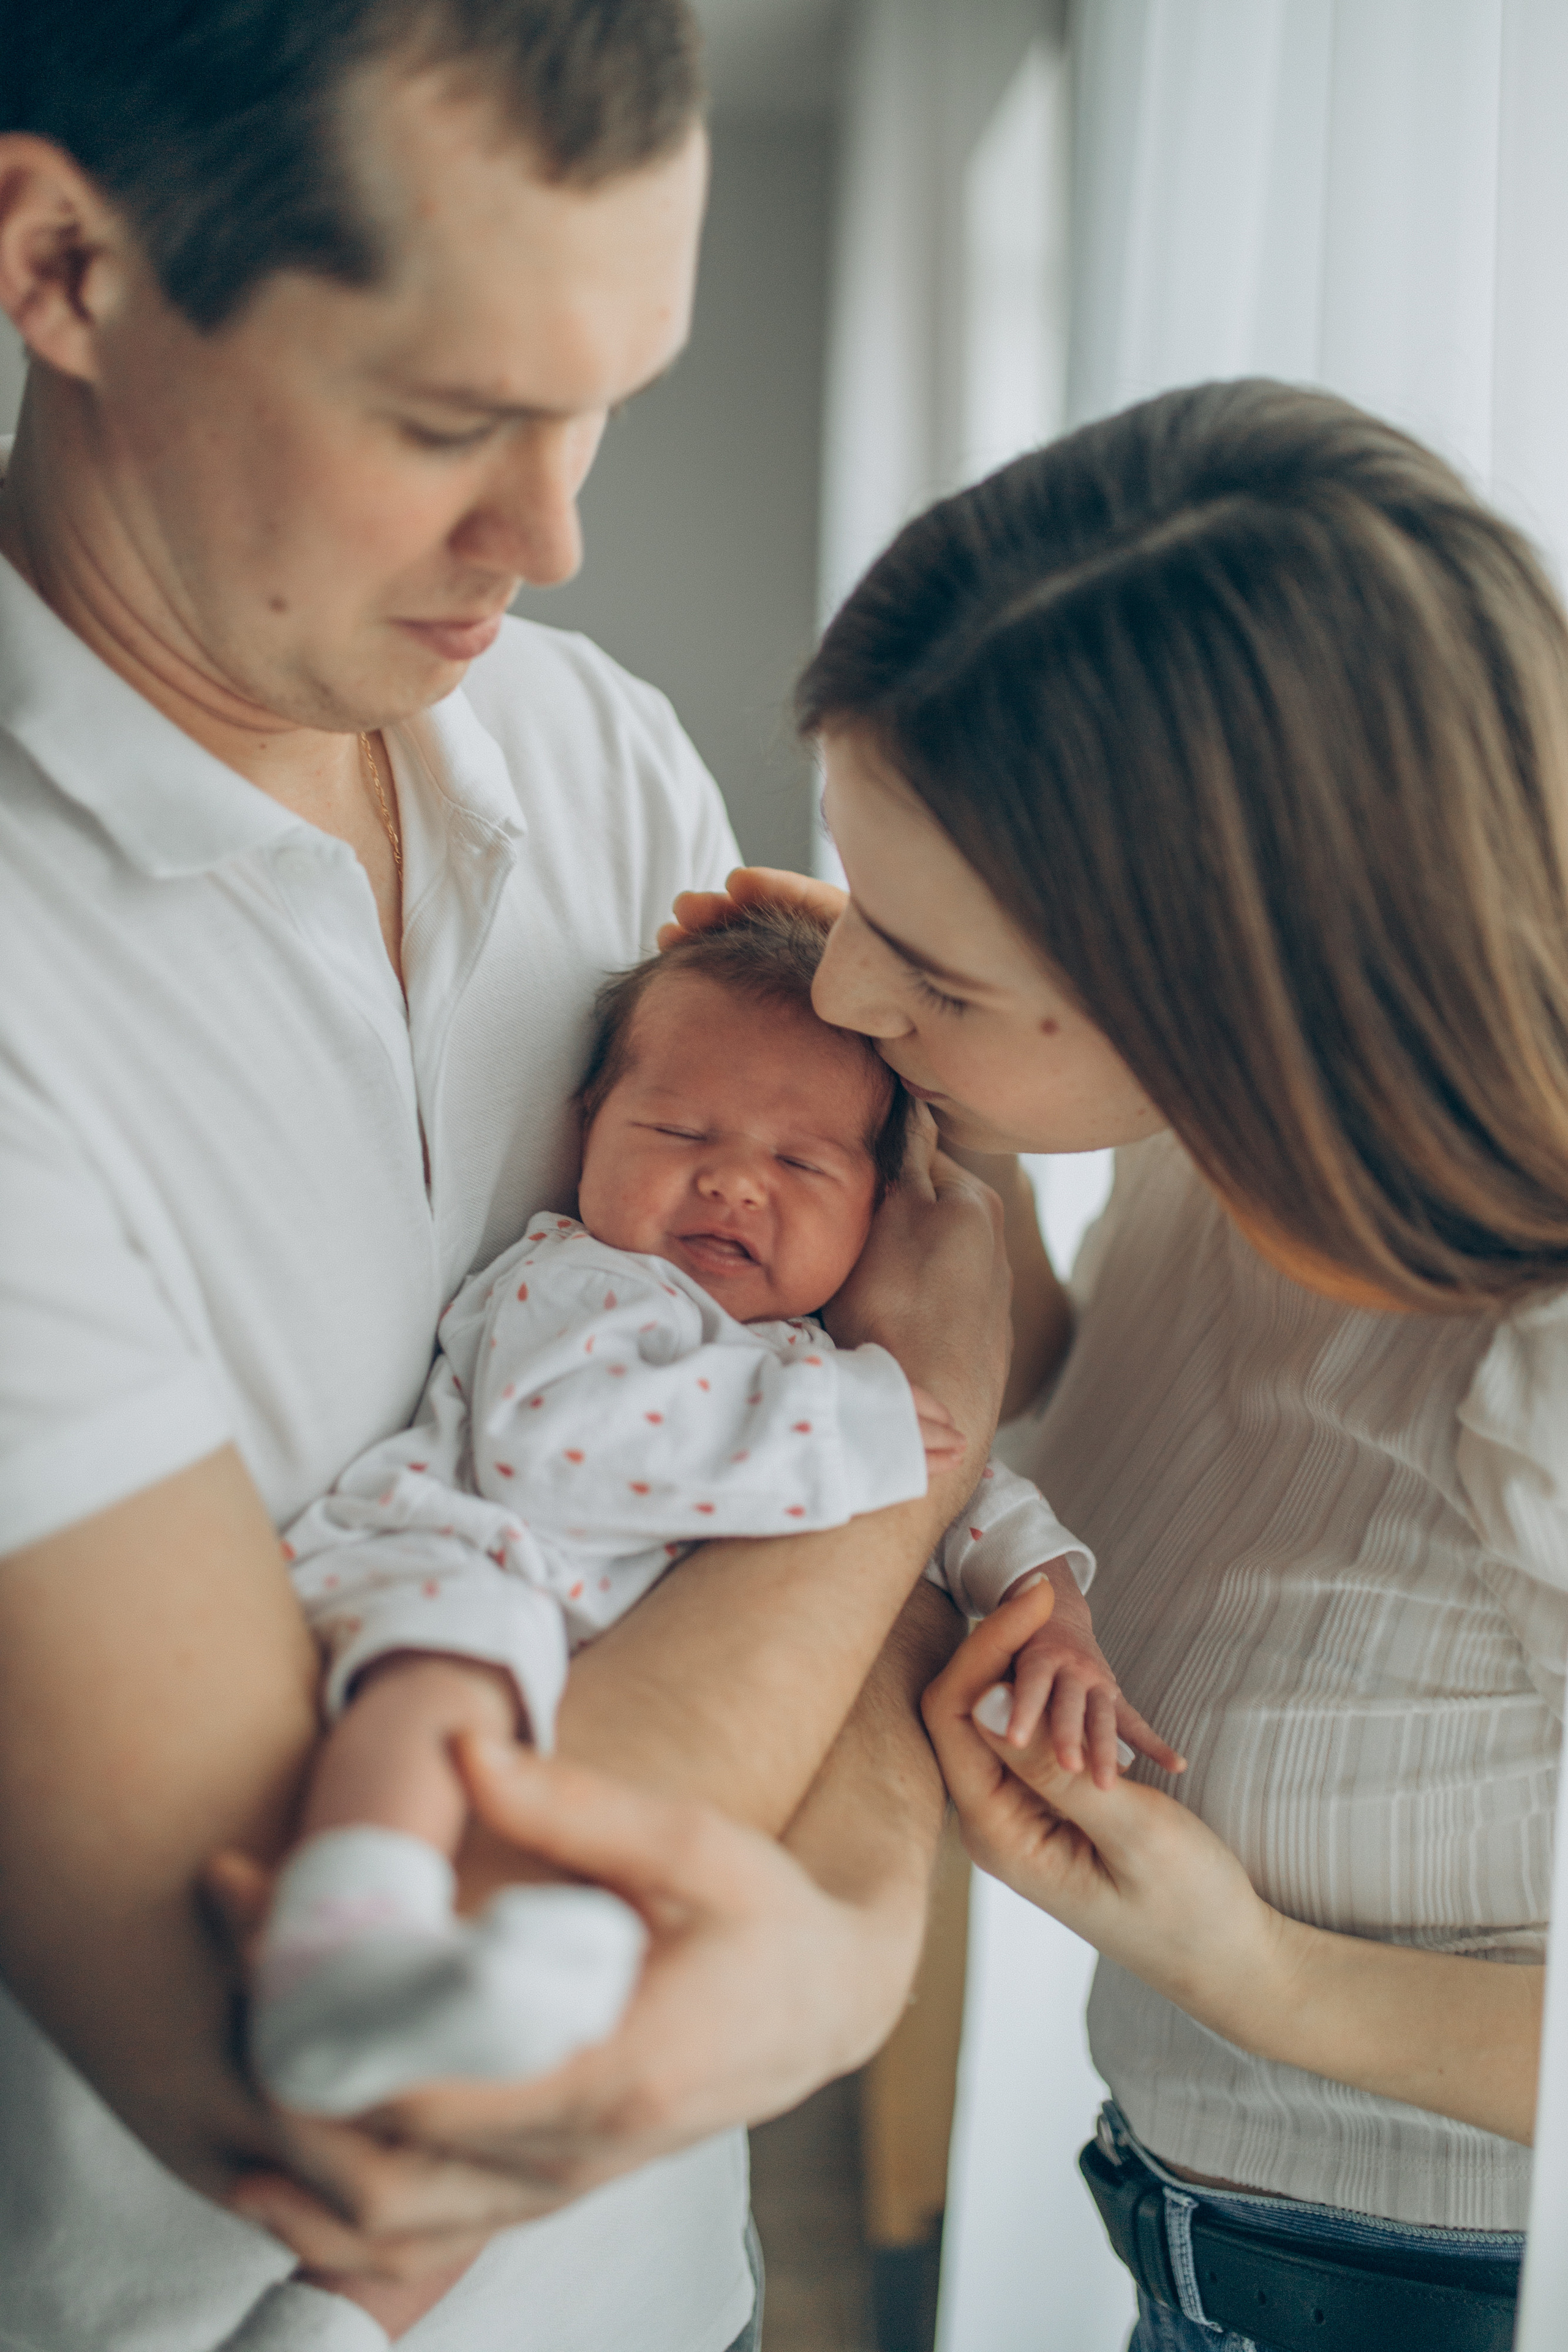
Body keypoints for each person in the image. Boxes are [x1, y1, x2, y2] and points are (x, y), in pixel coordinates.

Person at [0, 8, 1019, 2350]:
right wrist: (923, 1397)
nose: (553, 539)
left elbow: (855, 1372)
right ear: (64, 267)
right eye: (449, 419)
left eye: (605, 407)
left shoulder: (593, 756)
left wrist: (834, 1960)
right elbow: (355, 2109)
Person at [671, 379, 1566, 2350]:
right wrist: (947, 1152)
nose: (843, 988)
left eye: (940, 973)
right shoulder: (1212, 1138)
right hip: (1184, 2223)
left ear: (1235, 991)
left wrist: (1260, 1973)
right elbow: (1117, 1427)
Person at [256, 908, 1142, 2120]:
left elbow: (954, 1482)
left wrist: (1044, 1603)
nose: (731, 1178)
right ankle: (341, 1938)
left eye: (801, 1164)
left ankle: (484, 2026)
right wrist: (862, 1422)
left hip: (627, 1686)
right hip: (476, 1557)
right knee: (448, 1668)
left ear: (879, 1209)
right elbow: (559, 1450)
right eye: (678, 1131)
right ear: (585, 1131)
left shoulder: (820, 1358)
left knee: (642, 1873)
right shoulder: (582, 1282)